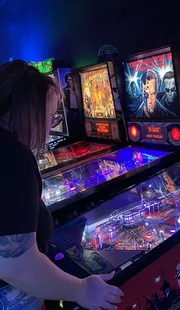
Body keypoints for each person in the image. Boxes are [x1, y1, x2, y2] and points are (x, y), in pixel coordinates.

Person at [0, 60, 124, 310]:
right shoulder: (12, 156)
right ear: (29, 112)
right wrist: (80, 289)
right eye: (51, 116)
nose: (52, 127)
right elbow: (14, 264)